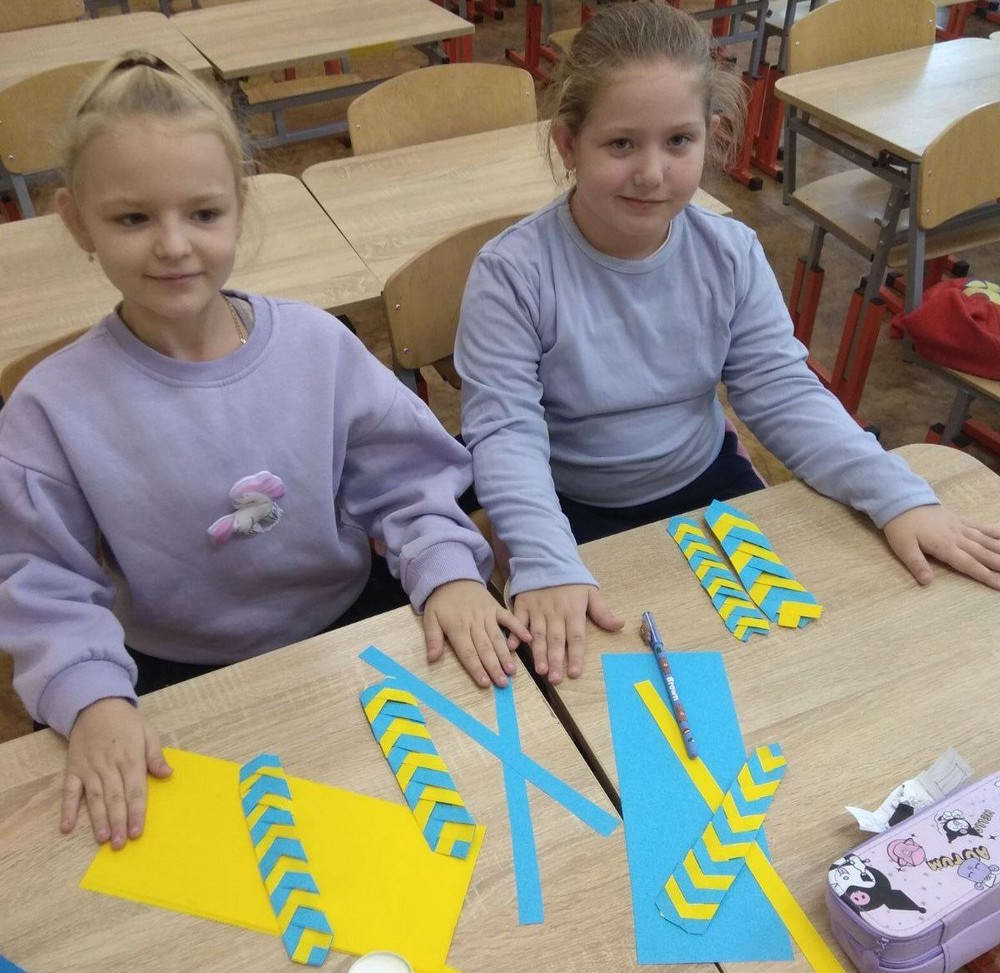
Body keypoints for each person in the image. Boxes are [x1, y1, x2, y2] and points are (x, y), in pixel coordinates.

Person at [0, 52, 530, 851]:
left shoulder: (319, 345)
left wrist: (450, 571)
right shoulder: (51, 408)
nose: (173, 245)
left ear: (240, 206)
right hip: (176, 672)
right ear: (76, 222)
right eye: (132, 218)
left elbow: (408, 483)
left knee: (447, 829)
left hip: (352, 624)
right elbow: (41, 583)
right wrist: (92, 695)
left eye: (203, 213)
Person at [454, 1, 1000, 686]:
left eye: (677, 142)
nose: (651, 172)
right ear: (569, 145)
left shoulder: (731, 252)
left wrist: (897, 496)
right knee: (599, 685)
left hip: (707, 483)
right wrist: (544, 557)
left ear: (711, 138)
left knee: (802, 659)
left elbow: (783, 393)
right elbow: (505, 429)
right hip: (568, 506)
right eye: (620, 144)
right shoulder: (512, 272)